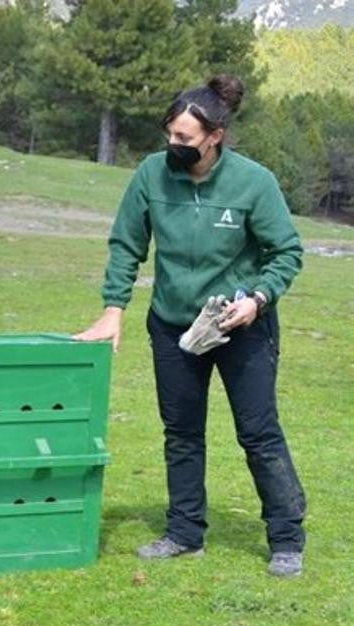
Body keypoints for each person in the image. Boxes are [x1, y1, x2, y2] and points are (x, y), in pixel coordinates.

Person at [74, 75, 307, 577]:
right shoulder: (151, 176)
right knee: (181, 432)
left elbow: (286, 252)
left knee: (258, 432)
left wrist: (259, 300)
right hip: (174, 326)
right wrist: (114, 308)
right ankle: (184, 533)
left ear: (215, 136)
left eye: (184, 138)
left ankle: (287, 537)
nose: (173, 145)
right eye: (170, 135)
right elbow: (126, 246)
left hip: (241, 326)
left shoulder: (253, 183)